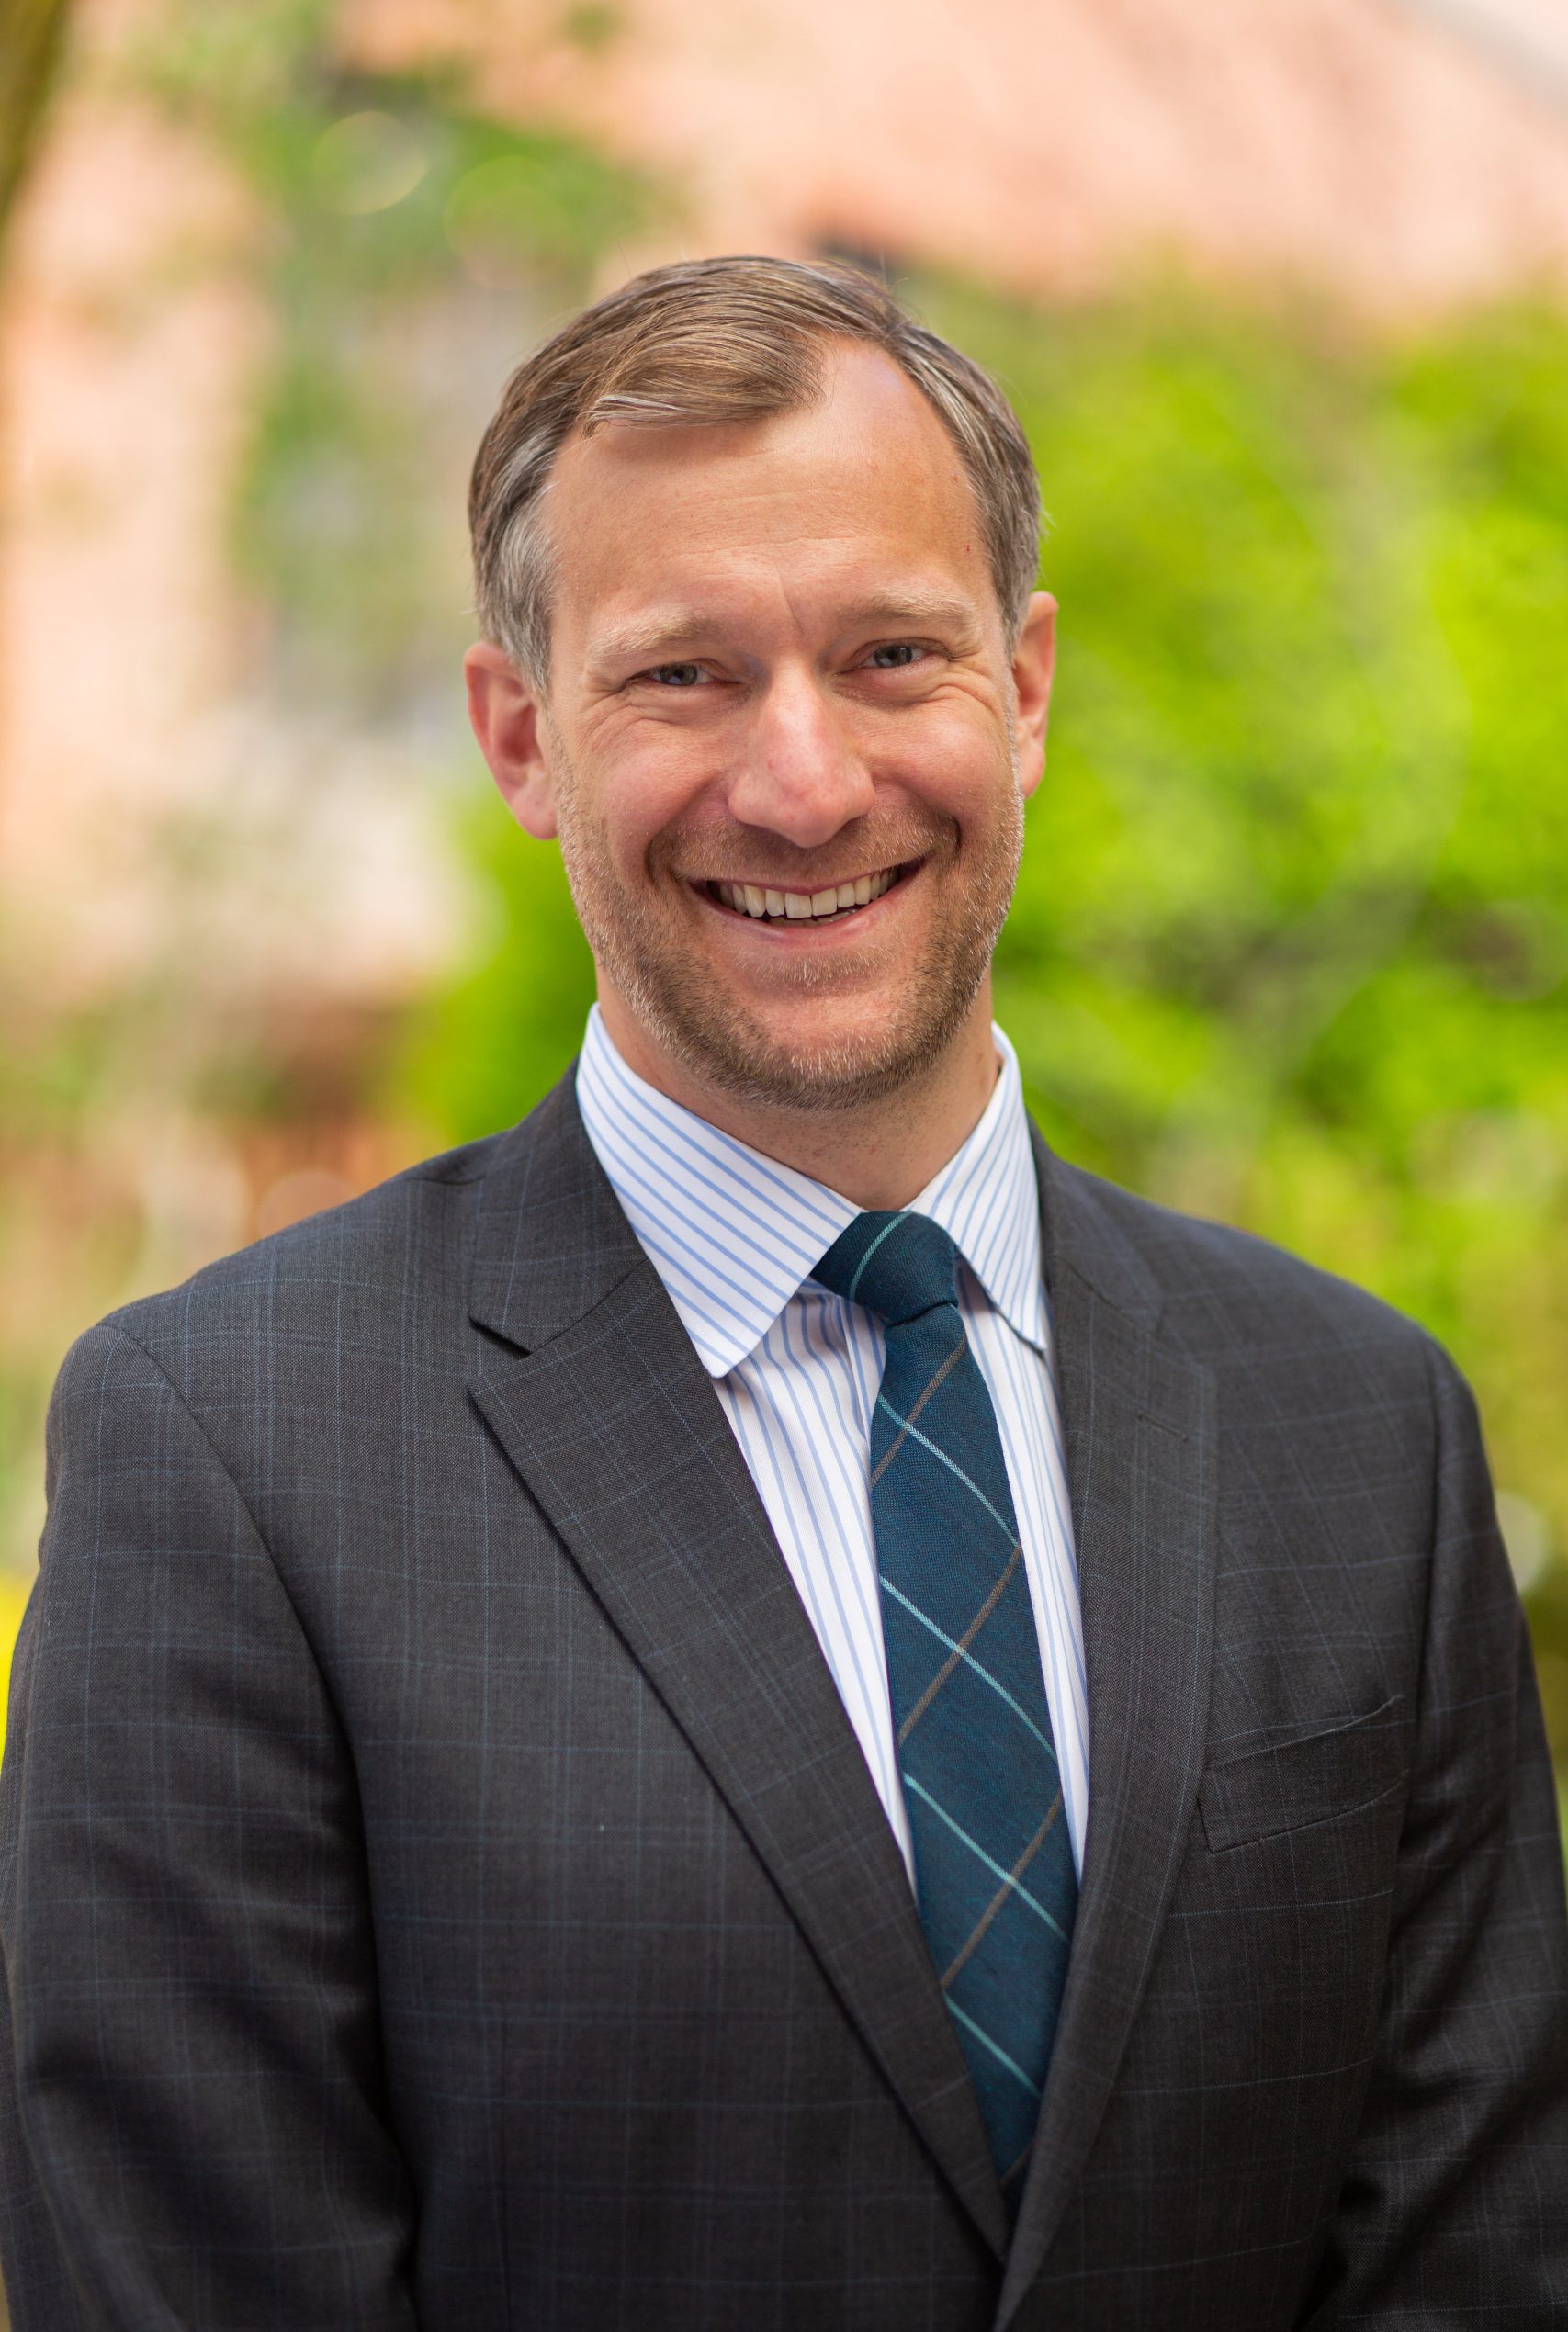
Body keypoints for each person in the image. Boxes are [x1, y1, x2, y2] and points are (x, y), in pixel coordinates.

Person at [1, 256, 1564, 2332]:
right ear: (516, 733)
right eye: (683, 674)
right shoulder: (231, 1453)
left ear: (1019, 687)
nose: (805, 780)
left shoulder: (1354, 1423)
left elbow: (1468, 2261)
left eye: (889, 653)